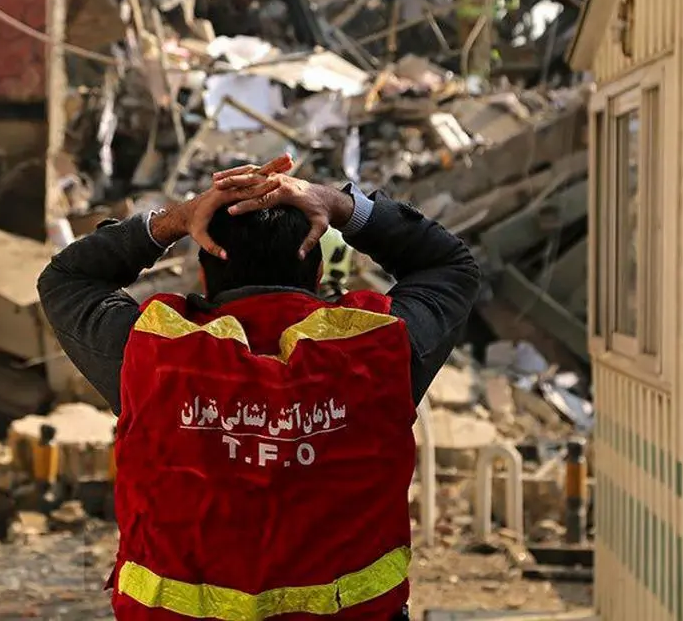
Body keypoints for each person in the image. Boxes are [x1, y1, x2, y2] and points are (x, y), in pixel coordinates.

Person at [37, 155, 482, 620]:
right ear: (315, 274)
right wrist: (341, 205)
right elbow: (450, 266)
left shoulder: (151, 357)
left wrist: (176, 220)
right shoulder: (381, 350)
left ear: (205, 275)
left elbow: (68, 280)